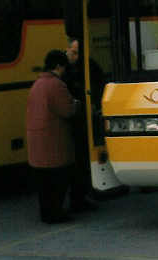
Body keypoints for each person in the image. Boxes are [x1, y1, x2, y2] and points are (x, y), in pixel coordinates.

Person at [26, 49, 79, 223]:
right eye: (63, 67)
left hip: (37, 141)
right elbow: (67, 110)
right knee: (58, 181)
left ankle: (46, 213)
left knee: (43, 185)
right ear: (58, 66)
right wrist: (76, 103)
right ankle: (55, 213)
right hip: (53, 141)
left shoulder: (37, 84)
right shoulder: (56, 85)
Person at [65, 37, 100, 212]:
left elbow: (98, 86)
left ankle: (82, 195)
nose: (75, 56)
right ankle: (78, 198)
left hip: (84, 120)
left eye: (78, 53)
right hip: (74, 121)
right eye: (73, 52)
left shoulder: (89, 66)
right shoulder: (65, 70)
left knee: (83, 161)